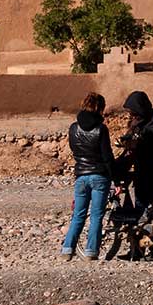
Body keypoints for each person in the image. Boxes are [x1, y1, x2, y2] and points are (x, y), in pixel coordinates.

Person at [60, 92, 114, 261]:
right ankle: (91, 252)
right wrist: (116, 177)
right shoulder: (101, 129)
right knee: (97, 216)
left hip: (81, 176)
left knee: (78, 215)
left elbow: (75, 150)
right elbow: (107, 156)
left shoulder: (73, 128)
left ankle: (67, 249)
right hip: (99, 176)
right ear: (99, 108)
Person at [120, 90, 153, 258]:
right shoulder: (138, 121)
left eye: (133, 111)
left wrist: (139, 143)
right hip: (141, 172)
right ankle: (137, 250)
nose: (131, 115)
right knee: (141, 212)